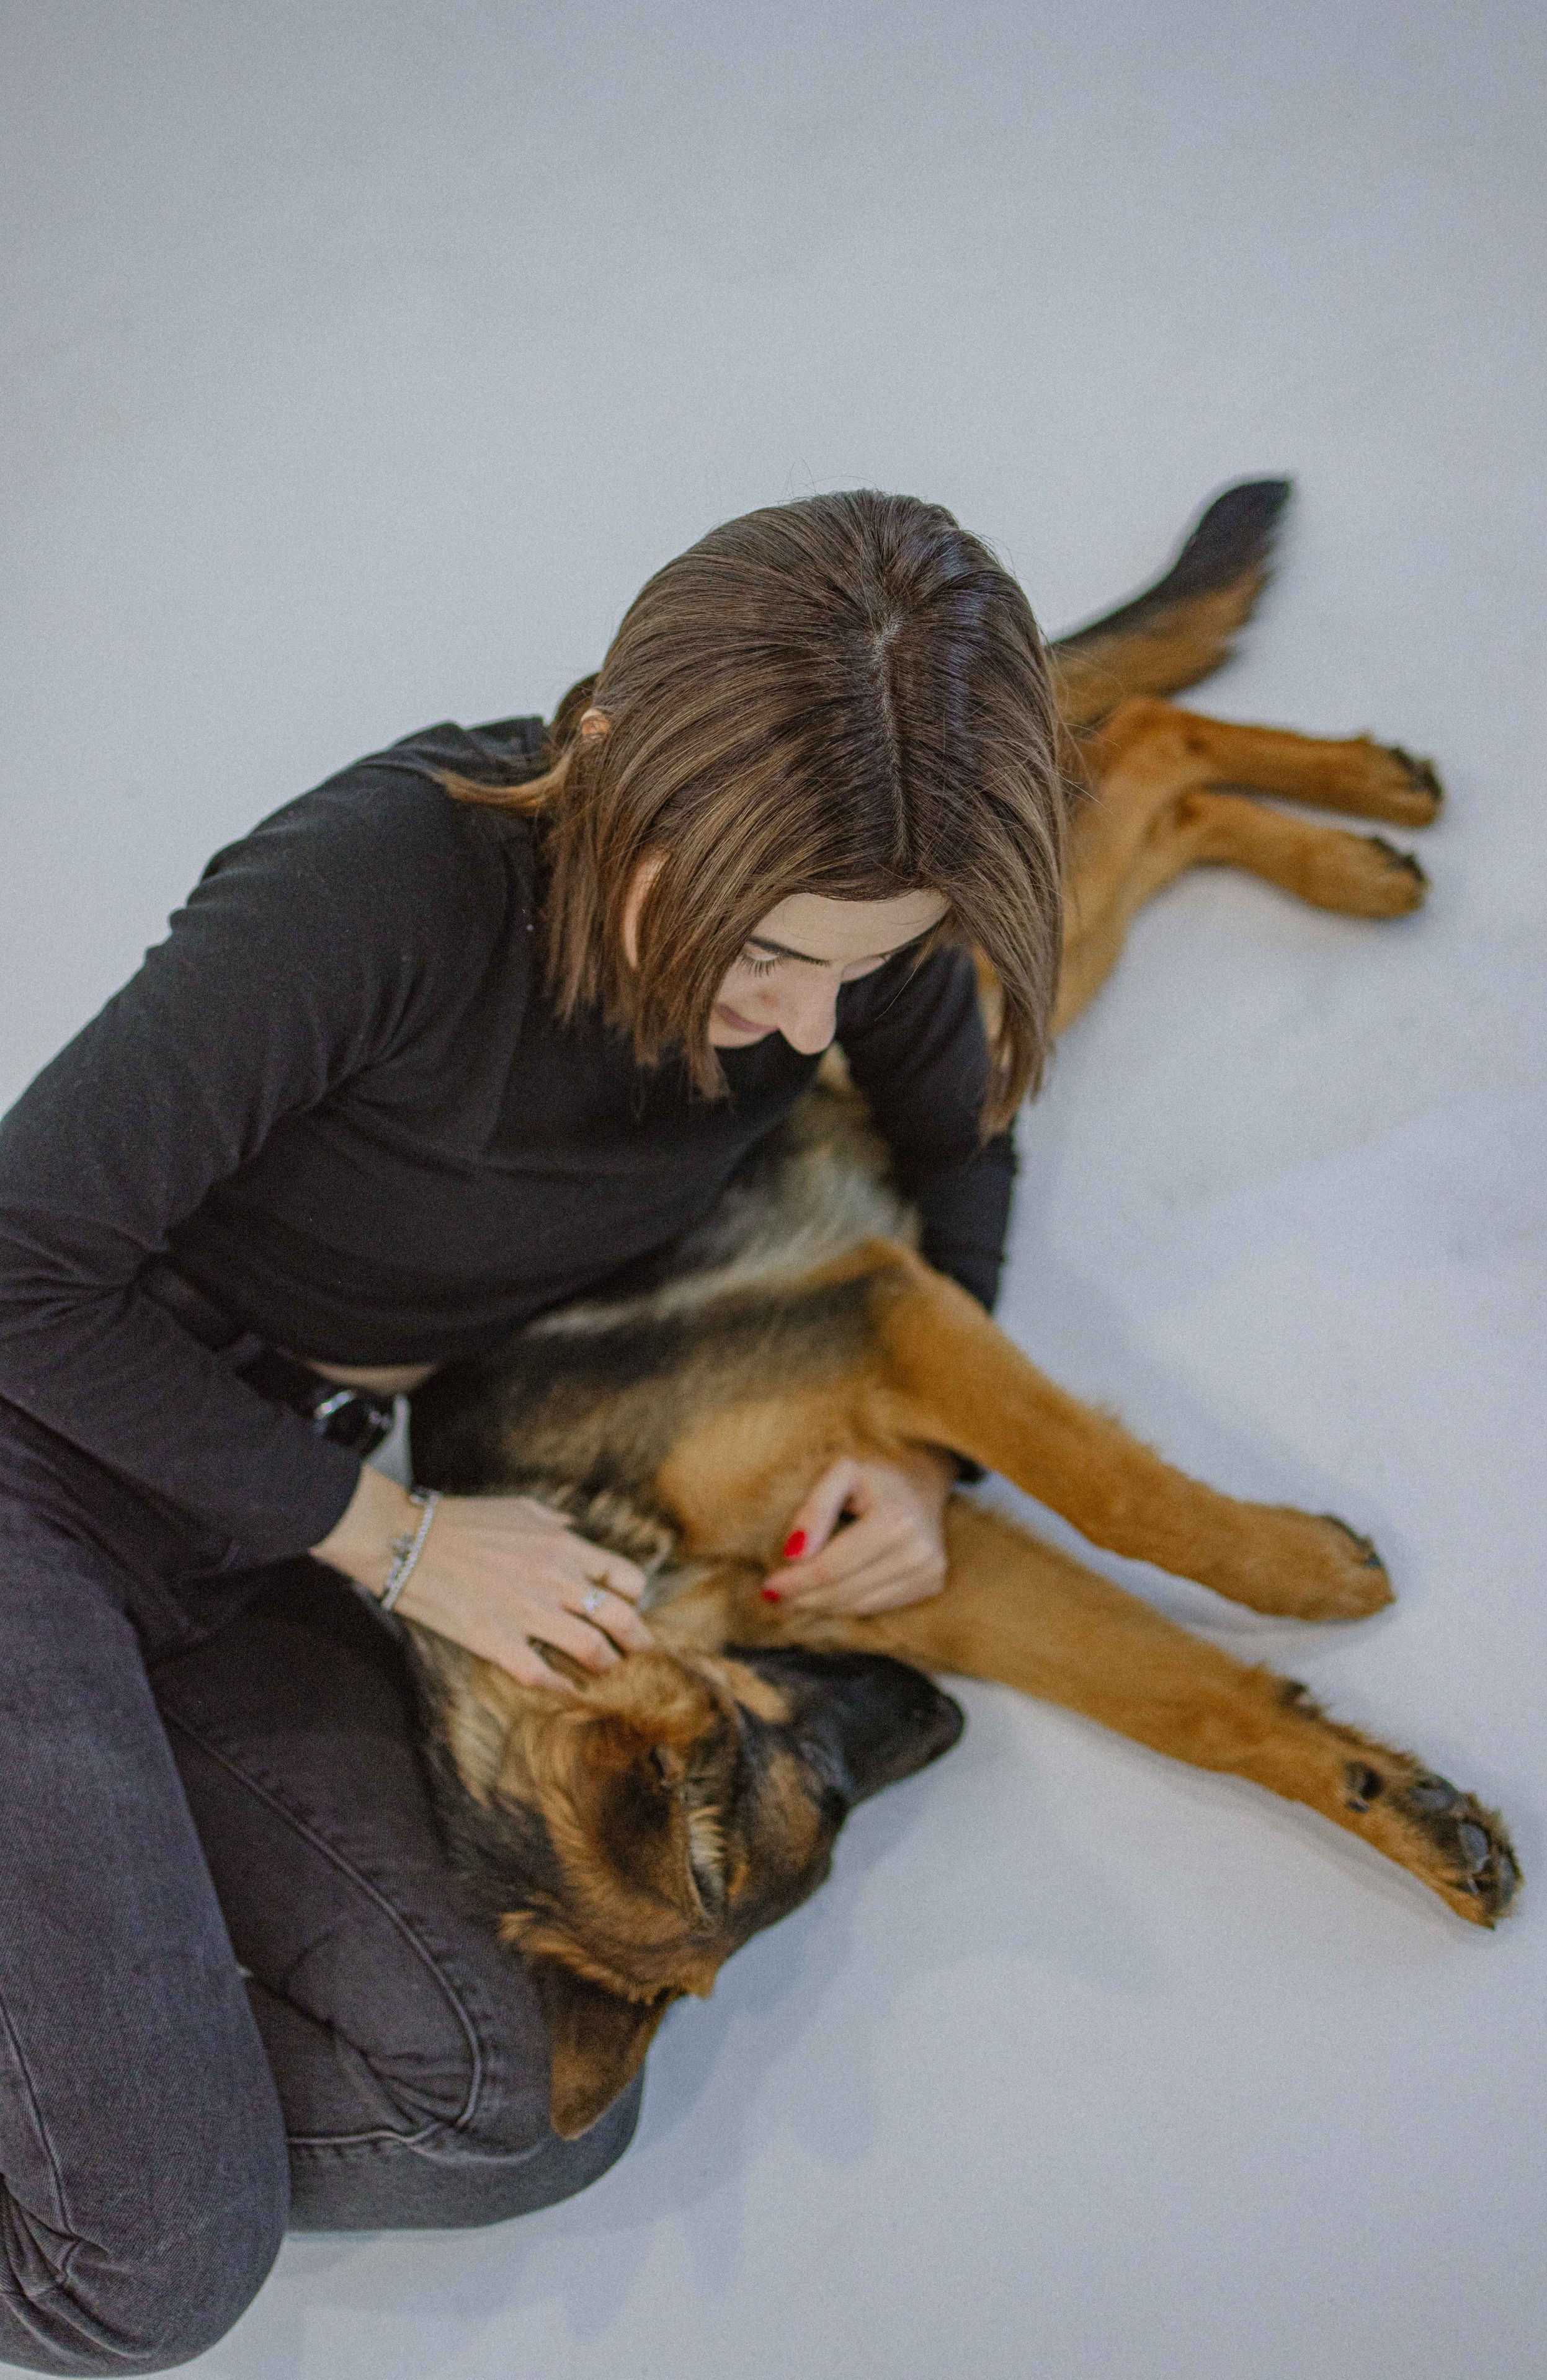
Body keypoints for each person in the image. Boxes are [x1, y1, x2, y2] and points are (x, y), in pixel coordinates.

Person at [0, 491, 1064, 2374]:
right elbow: (18, 1269)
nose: (802, 1024)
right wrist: (397, 1545)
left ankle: (91, 2057)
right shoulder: (386, 881)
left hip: (259, 1528)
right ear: (610, 761)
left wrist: (922, 1460)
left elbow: (955, 1140)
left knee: (505, 2112)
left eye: (854, 969)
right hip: (53, 1454)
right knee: (146, 2275)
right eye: (767, 958)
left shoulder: (849, 906)